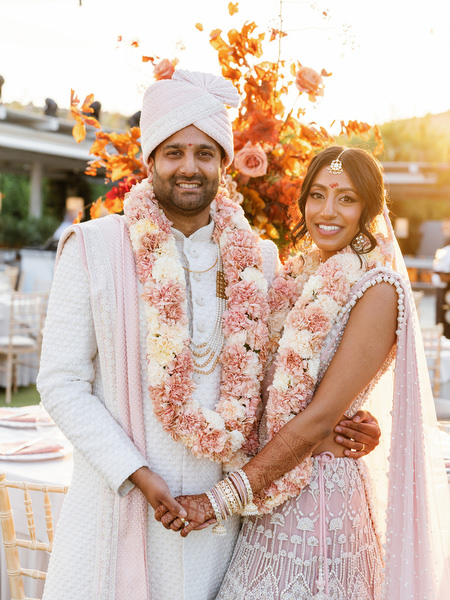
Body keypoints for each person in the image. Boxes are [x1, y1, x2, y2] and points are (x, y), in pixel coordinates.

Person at [37, 74, 381, 600]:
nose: (189, 167)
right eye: (173, 152)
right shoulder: (93, 248)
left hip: (219, 526)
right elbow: (61, 382)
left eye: (204, 152)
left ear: (225, 164)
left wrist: (338, 426)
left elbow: (278, 383)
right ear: (150, 161)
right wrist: (138, 474)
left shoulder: (259, 259)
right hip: (118, 503)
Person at [160, 146, 450, 599]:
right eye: (317, 195)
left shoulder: (377, 289)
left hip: (321, 508)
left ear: (369, 209)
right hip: (267, 496)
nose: (327, 212)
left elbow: (319, 417)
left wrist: (220, 501)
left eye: (346, 199)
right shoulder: (294, 277)